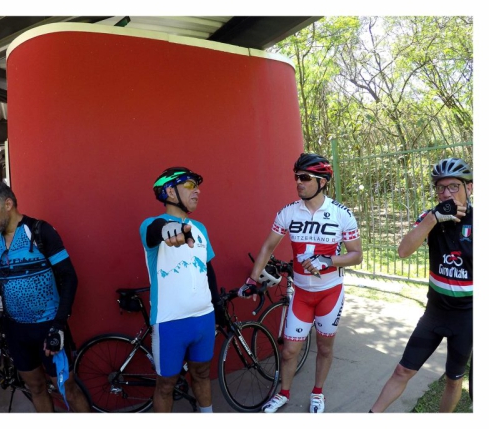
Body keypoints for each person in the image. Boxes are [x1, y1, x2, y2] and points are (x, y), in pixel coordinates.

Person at [243, 153, 363, 413]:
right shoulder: (288, 212)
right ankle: (283, 393)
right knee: (289, 351)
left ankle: (317, 393)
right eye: (296, 177)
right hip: (301, 294)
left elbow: (356, 255)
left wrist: (328, 261)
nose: (298, 182)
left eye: (305, 178)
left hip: (329, 293)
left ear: (322, 182)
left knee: (324, 348)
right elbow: (267, 247)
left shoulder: (341, 214)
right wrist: (252, 279)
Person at [0, 181, 90, 412]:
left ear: (8, 204)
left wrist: (58, 325)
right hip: (16, 330)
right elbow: (0, 281)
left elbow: (69, 277)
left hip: (48, 326)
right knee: (35, 387)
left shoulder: (39, 231)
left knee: (67, 388)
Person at [370, 157, 473, 413]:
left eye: (453, 186)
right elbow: (403, 251)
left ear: (469, 187)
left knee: (454, 380)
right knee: (402, 370)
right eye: (440, 187)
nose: (446, 193)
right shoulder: (430, 218)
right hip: (435, 313)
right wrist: (433, 219)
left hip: (468, 317)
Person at [140, 167, 224, 413]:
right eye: (189, 185)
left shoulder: (200, 228)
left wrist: (218, 307)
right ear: (169, 191)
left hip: (204, 317)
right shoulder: (150, 225)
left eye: (197, 186)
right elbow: (155, 230)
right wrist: (167, 229)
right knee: (166, 386)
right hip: (170, 322)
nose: (197, 191)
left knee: (202, 374)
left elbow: (208, 270)